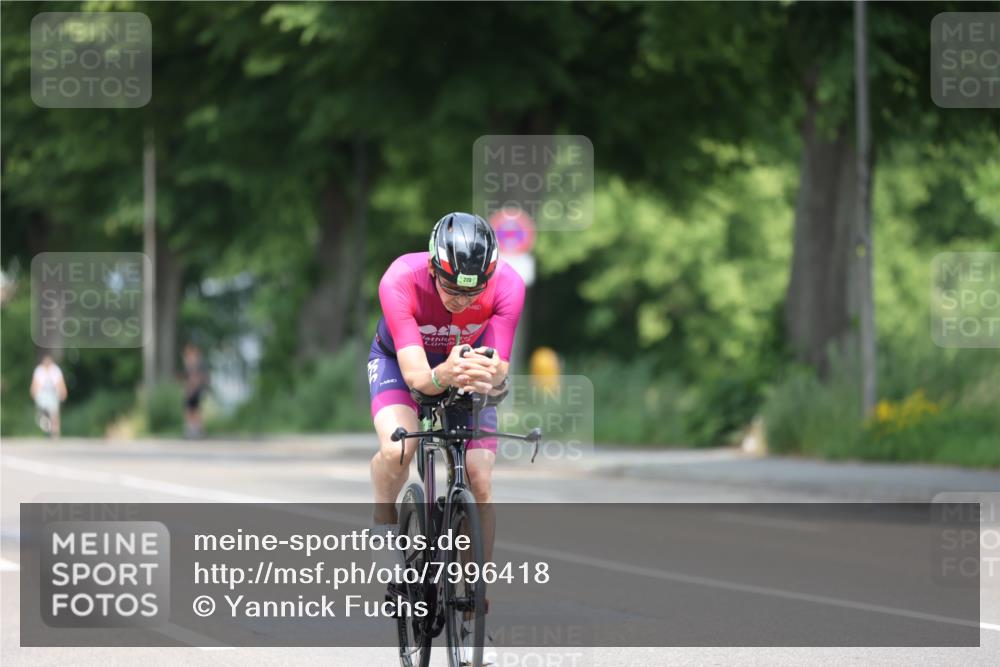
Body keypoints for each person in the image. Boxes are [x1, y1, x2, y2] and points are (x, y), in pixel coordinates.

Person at [368, 212, 524, 663]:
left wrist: (489, 376)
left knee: (480, 477)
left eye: (473, 291)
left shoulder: (510, 286)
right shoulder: (401, 277)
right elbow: (418, 378)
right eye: (452, 288)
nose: (460, 300)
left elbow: (499, 373)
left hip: (465, 368)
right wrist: (444, 372)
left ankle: (475, 614)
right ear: (434, 268)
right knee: (401, 447)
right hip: (405, 362)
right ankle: (384, 527)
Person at [30, 353, 68, 437]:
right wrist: (33, 392)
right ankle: (46, 427)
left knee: (54, 413)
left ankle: (55, 432)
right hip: (42, 395)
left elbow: (60, 382)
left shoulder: (56, 370)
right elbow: (35, 383)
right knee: (41, 414)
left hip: (53, 394)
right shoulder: (39, 370)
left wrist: (63, 391)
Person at [182, 343, 209, 438]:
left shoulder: (197, 364)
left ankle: (196, 429)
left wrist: (191, 389)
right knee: (191, 409)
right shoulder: (190, 364)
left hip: (195, 390)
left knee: (194, 410)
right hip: (193, 390)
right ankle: (193, 429)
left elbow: (196, 378)